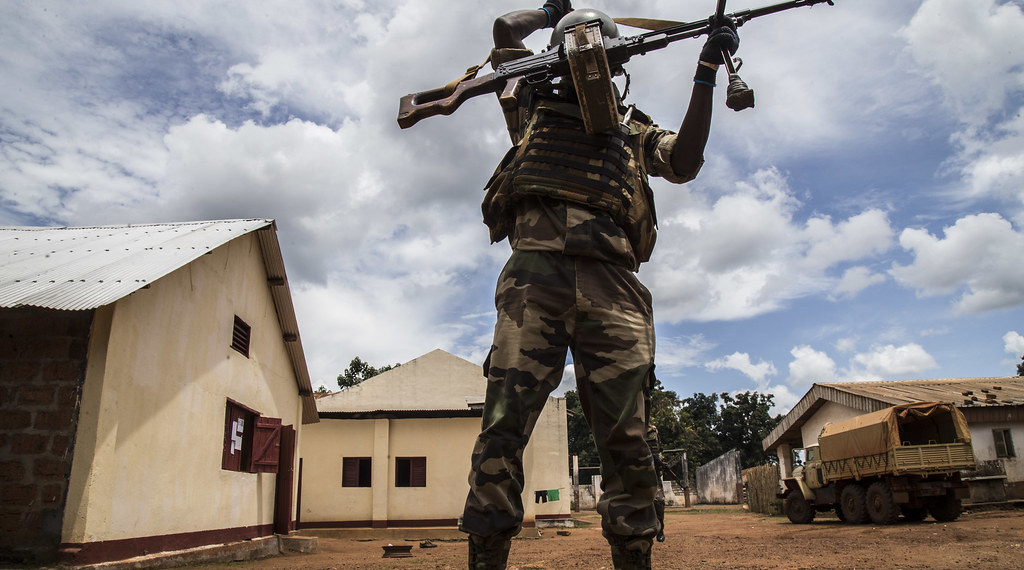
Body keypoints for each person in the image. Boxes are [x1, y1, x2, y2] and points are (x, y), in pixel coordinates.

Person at [459, 3, 739, 569]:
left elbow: (684, 161)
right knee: (503, 428)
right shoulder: (530, 105)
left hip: (613, 284)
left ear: (618, 66)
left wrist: (706, 70)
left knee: (627, 439)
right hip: (534, 278)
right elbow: (505, 30)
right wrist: (550, 11)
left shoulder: (633, 130)